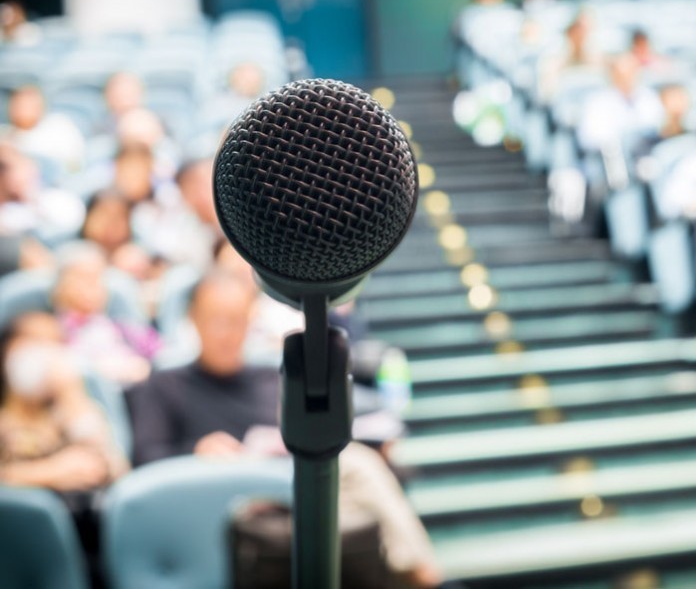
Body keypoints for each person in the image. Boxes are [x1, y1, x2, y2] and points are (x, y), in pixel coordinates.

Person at [129, 271, 446, 588]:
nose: (227, 333)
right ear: (193, 319)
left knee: (359, 470)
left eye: (237, 320)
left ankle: (412, 572)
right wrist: (197, 451)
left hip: (294, 486)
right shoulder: (164, 386)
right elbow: (146, 454)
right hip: (225, 504)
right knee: (359, 469)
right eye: (217, 320)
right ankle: (422, 575)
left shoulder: (269, 378)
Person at [0, 311, 127, 490]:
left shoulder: (68, 411)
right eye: (35, 341)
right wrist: (49, 472)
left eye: (55, 343)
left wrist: (72, 395)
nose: (47, 354)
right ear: (7, 349)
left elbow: (119, 472)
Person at [53, 242, 158, 386]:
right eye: (82, 278)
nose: (92, 287)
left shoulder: (122, 327)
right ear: (60, 286)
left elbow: (159, 351)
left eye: (97, 279)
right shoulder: (52, 330)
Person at [576, 53, 662, 158]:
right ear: (613, 76)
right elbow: (588, 138)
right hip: (610, 158)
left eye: (632, 73)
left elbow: (658, 125)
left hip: (645, 154)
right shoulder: (598, 102)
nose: (628, 79)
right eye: (622, 75)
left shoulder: (648, 96)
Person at [2, 85, 85, 175]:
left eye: (29, 104)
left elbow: (76, 165)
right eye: (18, 104)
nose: (22, 109)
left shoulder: (59, 126)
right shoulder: (4, 135)